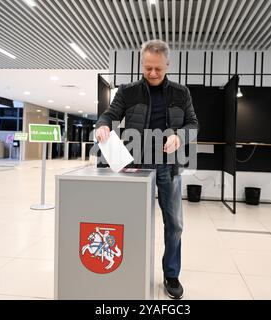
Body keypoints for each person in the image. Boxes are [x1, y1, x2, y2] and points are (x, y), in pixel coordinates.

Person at [95, 39, 199, 300]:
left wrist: (179, 137)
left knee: (174, 224)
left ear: (168, 65)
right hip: (136, 168)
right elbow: (109, 114)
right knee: (130, 222)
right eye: (147, 68)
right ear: (142, 64)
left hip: (169, 168)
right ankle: (128, 268)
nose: (152, 73)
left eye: (158, 69)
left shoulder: (181, 93)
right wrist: (103, 124)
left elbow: (193, 125)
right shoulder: (128, 92)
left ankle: (171, 274)